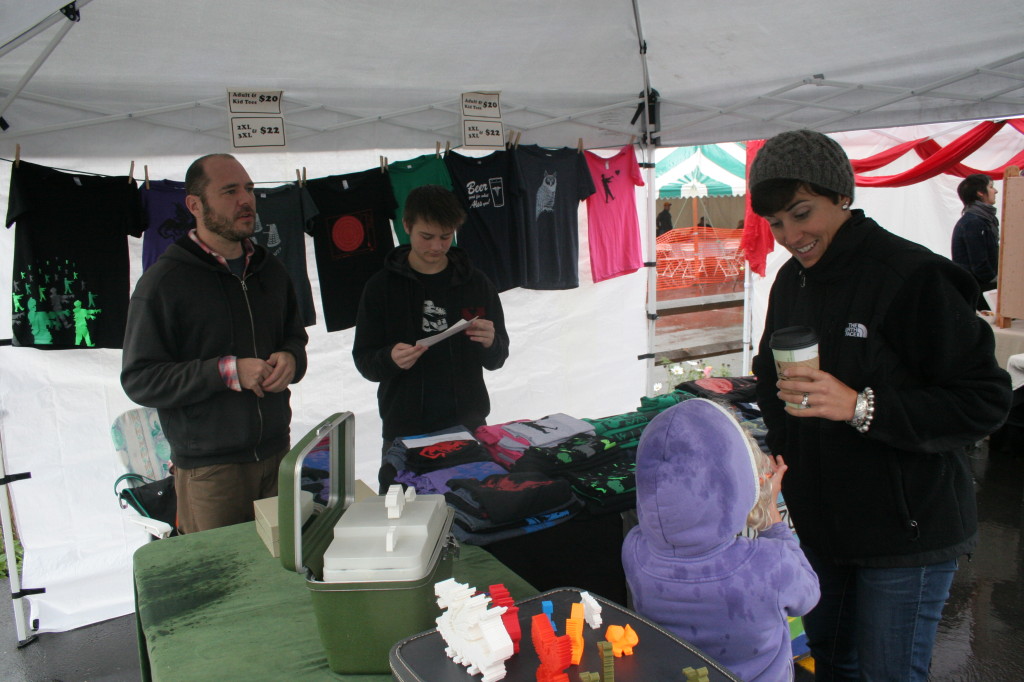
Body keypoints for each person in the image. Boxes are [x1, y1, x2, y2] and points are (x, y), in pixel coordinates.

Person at [748, 130, 1012, 681]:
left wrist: (861, 406)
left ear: (840, 195)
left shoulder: (911, 276)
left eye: (801, 213)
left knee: (888, 672)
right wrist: (780, 455)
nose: (791, 236)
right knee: (832, 663)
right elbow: (768, 375)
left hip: (906, 532)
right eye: (775, 223)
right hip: (823, 527)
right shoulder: (792, 282)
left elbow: (985, 399)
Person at [121, 153, 308, 534]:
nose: (246, 200)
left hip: (277, 456)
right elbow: (140, 379)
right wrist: (227, 372)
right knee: (222, 572)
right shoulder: (163, 283)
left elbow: (295, 338)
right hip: (210, 474)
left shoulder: (271, 270)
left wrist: (291, 357)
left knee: (283, 567)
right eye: (230, 191)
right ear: (194, 205)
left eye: (249, 189)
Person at [622, 398, 819, 682]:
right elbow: (808, 595)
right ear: (738, 483)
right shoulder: (770, 563)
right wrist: (771, 516)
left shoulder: (635, 548)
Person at [352, 184, 509, 492]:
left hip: (467, 425)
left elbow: (498, 358)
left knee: (474, 507)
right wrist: (389, 358)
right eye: (427, 236)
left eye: (446, 236)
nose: (437, 246)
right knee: (404, 514)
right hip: (404, 431)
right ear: (406, 226)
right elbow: (365, 362)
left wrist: (491, 343)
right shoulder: (381, 287)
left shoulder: (476, 283)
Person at [951, 173, 1000, 310]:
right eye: (991, 187)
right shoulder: (973, 222)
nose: (996, 191)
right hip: (979, 291)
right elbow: (979, 264)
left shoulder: (983, 220)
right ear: (980, 193)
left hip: (981, 288)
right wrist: (998, 283)